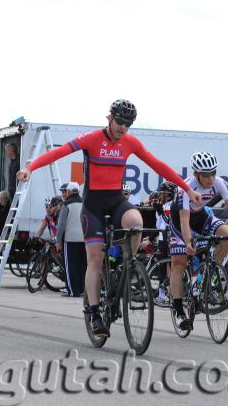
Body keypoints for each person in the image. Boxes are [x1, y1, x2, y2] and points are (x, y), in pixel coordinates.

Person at [17, 99, 200, 336]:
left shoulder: (130, 142)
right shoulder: (91, 139)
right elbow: (59, 152)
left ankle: (128, 265)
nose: (123, 127)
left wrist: (186, 188)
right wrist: (31, 168)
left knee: (136, 222)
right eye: (120, 122)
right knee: (95, 259)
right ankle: (94, 313)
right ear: (109, 118)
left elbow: (158, 165)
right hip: (92, 205)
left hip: (115, 202)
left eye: (128, 123)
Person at [169, 151, 228, 330]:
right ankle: (179, 312)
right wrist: (188, 242)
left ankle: (204, 273)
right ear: (196, 174)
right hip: (180, 220)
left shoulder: (219, 183)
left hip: (200, 215)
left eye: (213, 173)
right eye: (205, 174)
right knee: (179, 264)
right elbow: (185, 221)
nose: (210, 178)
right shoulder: (185, 188)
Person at [56, 182, 86, 297]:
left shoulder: (66, 204)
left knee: (70, 266)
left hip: (70, 239)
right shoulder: (84, 203)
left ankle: (72, 291)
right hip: (84, 239)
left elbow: (61, 225)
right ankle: (81, 290)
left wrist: (58, 241)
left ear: (68, 192)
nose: (63, 194)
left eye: (64, 192)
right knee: (83, 265)